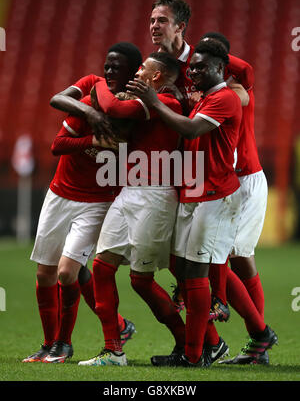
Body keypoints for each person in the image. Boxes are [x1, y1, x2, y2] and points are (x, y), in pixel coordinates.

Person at [127, 38, 277, 367]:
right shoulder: (206, 97)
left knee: (217, 265)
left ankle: (225, 339)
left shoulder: (227, 96)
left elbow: (192, 130)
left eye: (201, 66)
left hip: (220, 193)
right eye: (191, 66)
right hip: (196, 192)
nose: (193, 70)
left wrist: (155, 101)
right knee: (188, 270)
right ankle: (210, 343)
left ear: (221, 69)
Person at [22, 42, 142, 364]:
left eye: (116, 67)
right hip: (60, 193)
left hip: (97, 202)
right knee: (45, 274)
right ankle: (49, 345)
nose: (108, 71)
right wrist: (90, 123)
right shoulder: (90, 90)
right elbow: (57, 144)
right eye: (107, 65)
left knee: (66, 272)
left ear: (132, 74)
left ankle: (64, 344)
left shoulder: (137, 111)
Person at [76, 51, 186, 367]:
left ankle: (194, 341)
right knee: (102, 266)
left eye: (142, 69)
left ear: (157, 77)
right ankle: (114, 351)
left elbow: (112, 107)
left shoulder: (167, 103)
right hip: (129, 191)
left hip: (155, 197)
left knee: (141, 279)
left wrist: (97, 82)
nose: (136, 72)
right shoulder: (149, 101)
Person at [200, 32, 277, 365]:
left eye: (209, 57)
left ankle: (257, 339)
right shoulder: (205, 92)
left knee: (230, 254)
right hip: (221, 182)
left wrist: (200, 50)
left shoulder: (240, 88)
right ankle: (256, 341)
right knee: (240, 259)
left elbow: (244, 68)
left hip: (247, 181)